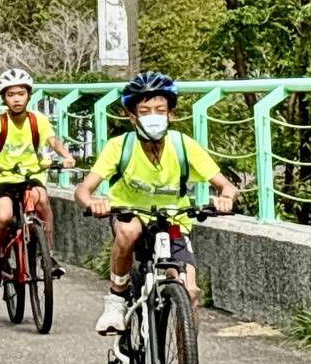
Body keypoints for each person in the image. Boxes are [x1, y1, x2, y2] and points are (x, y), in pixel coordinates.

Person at [74, 71, 237, 335]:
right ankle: (116, 299)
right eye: (145, 110)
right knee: (129, 231)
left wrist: (226, 198)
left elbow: (226, 185)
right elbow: (84, 188)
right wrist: (93, 202)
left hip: (173, 221)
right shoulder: (119, 146)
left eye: (160, 110)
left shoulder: (184, 146)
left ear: (170, 114)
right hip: (130, 214)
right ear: (132, 116)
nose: (154, 116)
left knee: (190, 292)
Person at [0, 68, 76, 288]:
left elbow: (52, 141)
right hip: (1, 176)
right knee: (4, 217)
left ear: (29, 95)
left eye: (21, 93)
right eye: (11, 95)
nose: (17, 99)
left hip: (30, 173)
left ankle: (48, 254)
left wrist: (66, 156)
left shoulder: (37, 119)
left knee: (42, 202)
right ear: (3, 98)